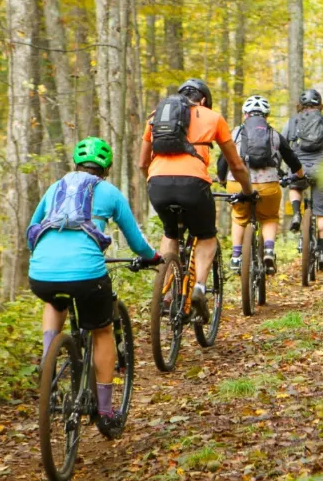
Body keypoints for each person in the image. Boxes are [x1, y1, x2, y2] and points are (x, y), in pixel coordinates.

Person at [27, 137, 161, 439]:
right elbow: (137, 242)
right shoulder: (109, 192)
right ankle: (105, 411)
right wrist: (152, 257)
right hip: (87, 274)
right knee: (101, 331)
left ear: (75, 165)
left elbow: (31, 230)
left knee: (55, 300)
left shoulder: (54, 188)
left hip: (41, 272)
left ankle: (49, 364)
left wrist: (44, 258)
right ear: (108, 168)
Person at [139, 78, 253, 313]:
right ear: (203, 100)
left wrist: (155, 183)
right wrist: (247, 191)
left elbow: (142, 163)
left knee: (170, 232)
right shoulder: (213, 117)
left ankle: (167, 290)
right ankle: (199, 287)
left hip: (157, 182)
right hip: (193, 183)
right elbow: (236, 164)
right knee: (206, 236)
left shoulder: (155, 116)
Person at [217, 95, 304, 275]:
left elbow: (223, 159)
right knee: (269, 217)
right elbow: (292, 159)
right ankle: (269, 251)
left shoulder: (235, 133)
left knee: (239, 217)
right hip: (268, 185)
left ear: (245, 115)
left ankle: (235, 256)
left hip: (238, 183)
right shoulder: (274, 134)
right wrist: (300, 175)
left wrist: (222, 179)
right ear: (266, 115)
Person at [281, 88, 323, 271]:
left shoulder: (292, 122)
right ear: (320, 105)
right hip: (321, 169)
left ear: (300, 106)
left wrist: (281, 168)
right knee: (322, 214)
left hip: (298, 167)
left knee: (295, 186)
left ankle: (295, 213)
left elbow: (282, 144)